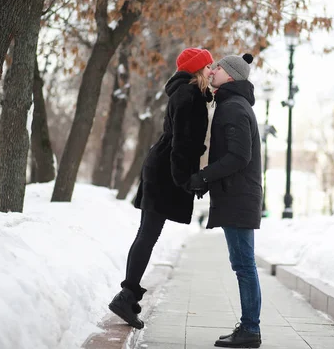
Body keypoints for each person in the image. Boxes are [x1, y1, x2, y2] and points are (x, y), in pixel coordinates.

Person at [108, 48, 214, 329]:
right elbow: (182, 143)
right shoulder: (189, 96)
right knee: (148, 234)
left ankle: (127, 295)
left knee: (146, 233)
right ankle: (126, 295)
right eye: (207, 67)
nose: (211, 71)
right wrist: (186, 180)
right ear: (197, 70)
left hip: (162, 166)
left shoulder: (187, 94)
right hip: (166, 170)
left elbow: (184, 143)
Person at [187, 53, 263, 348]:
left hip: (239, 197)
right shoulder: (231, 104)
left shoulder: (233, 107)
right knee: (242, 264)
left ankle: (250, 330)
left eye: (218, 67)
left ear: (230, 75)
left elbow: (238, 156)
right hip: (237, 194)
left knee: (244, 265)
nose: (213, 70)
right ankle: (249, 327)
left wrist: (204, 176)